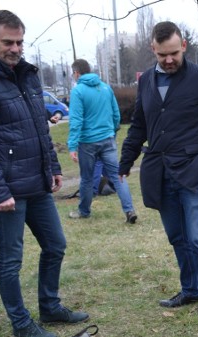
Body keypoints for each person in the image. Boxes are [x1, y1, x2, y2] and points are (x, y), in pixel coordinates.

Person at [0, 10, 88, 337]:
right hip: (8, 191)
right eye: (7, 42)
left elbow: (38, 127)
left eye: (19, 42)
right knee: (11, 259)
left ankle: (50, 306)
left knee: (55, 245)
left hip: (36, 183)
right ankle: (20, 322)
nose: (15, 49)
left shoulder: (26, 74)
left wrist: (53, 168)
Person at [119, 21, 198, 323]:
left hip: (194, 172)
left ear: (183, 46)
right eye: (162, 55)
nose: (169, 60)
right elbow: (139, 125)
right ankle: (190, 288)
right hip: (161, 172)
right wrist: (125, 162)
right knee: (177, 237)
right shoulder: (146, 82)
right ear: (153, 49)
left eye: (174, 53)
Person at [66, 58, 137, 224]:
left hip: (87, 143)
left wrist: (72, 145)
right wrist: (112, 131)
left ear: (76, 73)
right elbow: (116, 114)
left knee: (87, 178)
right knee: (118, 176)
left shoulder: (78, 91)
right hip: (108, 139)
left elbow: (76, 120)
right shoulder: (106, 88)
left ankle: (84, 211)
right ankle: (129, 210)